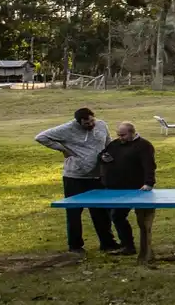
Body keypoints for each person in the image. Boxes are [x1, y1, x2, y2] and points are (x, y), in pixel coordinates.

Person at [35, 107, 117, 254]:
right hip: (75, 177)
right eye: (86, 123)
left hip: (97, 176)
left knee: (101, 212)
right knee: (74, 212)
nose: (91, 124)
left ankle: (107, 243)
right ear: (78, 122)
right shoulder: (67, 129)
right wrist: (63, 150)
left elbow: (108, 143)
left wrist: (108, 155)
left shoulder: (102, 125)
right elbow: (41, 137)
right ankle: (75, 245)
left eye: (92, 121)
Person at [99, 121, 157, 256]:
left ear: (132, 133)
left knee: (134, 218)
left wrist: (149, 183)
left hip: (137, 189)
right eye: (118, 135)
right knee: (117, 216)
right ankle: (127, 245)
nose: (120, 138)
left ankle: (137, 246)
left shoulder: (144, 145)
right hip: (117, 188)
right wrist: (103, 158)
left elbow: (149, 165)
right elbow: (103, 154)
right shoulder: (115, 144)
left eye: (123, 135)